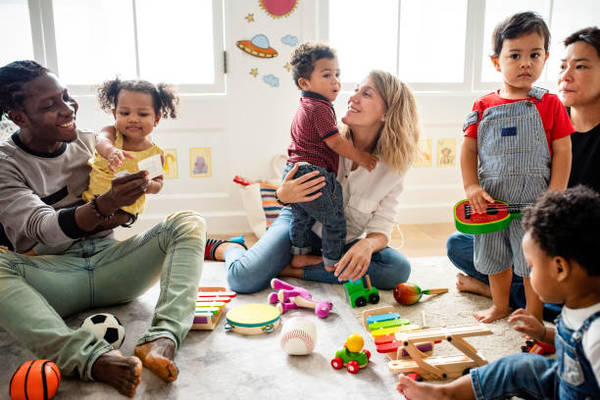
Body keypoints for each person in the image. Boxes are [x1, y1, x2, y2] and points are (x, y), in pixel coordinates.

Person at [0, 60, 205, 397]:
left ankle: (162, 338)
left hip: (111, 263)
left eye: (66, 97)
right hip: (54, 275)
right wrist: (106, 205)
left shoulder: (91, 143)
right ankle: (90, 358)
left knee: (188, 222)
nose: (68, 109)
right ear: (19, 117)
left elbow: (132, 205)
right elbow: (45, 229)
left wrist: (133, 200)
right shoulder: (6, 163)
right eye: (50, 105)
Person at [208, 70, 419, 293]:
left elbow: (382, 228)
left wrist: (367, 244)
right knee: (242, 279)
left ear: (387, 113)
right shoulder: (325, 138)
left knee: (397, 269)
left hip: (341, 241)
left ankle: (291, 270)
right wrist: (282, 195)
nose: (352, 97)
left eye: (366, 94)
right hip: (299, 226)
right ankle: (229, 248)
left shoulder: (393, 168)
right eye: (356, 89)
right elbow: (286, 185)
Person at [447, 26, 600, 322]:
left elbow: (563, 158)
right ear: (497, 61)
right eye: (563, 66)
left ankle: (527, 303)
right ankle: (505, 299)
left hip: (567, 241)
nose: (565, 75)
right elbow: (470, 150)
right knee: (464, 246)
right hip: (507, 212)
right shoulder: (491, 106)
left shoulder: (548, 106)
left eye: (580, 66)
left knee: (535, 264)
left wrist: (552, 200)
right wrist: (472, 187)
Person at [397, 186, 600, 400]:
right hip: (564, 381)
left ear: (560, 269)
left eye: (531, 266)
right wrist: (542, 334)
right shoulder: (577, 302)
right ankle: (448, 393)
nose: (527, 273)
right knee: (517, 367)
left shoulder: (596, 335)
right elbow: (565, 340)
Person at [283, 42, 377, 270]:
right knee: (334, 219)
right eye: (326, 75)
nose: (335, 81)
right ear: (304, 83)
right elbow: (334, 141)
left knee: (301, 218)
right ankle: (333, 262)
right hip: (312, 172)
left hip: (294, 169)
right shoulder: (319, 107)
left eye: (337, 74)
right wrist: (362, 157)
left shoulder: (305, 105)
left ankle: (299, 254)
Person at [82, 78, 177, 218]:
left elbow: (158, 183)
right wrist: (111, 151)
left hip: (125, 212)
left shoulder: (154, 154)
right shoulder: (112, 133)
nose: (133, 119)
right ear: (115, 114)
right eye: (125, 113)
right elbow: (101, 141)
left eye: (142, 114)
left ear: (156, 118)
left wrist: (148, 184)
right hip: (94, 205)